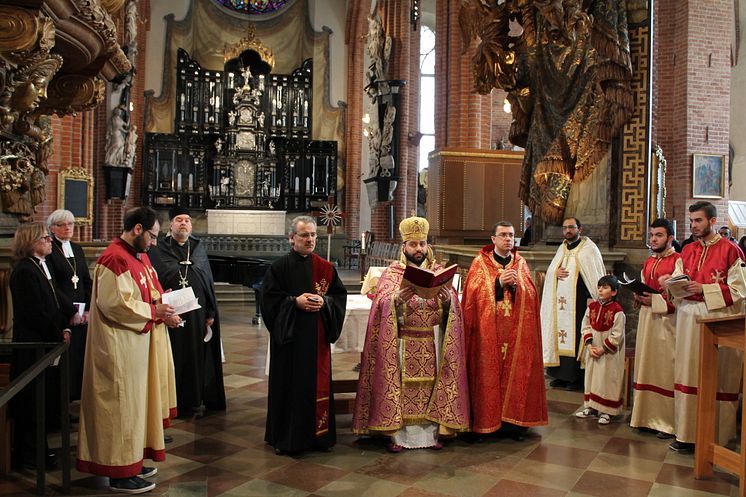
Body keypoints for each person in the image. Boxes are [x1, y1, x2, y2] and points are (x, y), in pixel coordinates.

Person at [76, 207, 182, 494]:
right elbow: (115, 304)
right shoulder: (114, 258)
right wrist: (154, 310)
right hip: (118, 348)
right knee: (121, 408)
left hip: (136, 344)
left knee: (136, 407)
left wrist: (166, 306)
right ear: (138, 229)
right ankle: (119, 471)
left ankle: (132, 460)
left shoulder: (138, 256)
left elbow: (151, 290)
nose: (154, 242)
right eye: (152, 236)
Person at [352, 216, 470, 452]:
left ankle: (433, 433)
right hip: (403, 342)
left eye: (422, 244)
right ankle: (398, 435)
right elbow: (381, 305)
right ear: (404, 247)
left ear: (428, 245)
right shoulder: (393, 273)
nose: (419, 249)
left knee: (432, 387)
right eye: (413, 244)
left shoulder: (438, 271)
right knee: (402, 387)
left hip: (432, 341)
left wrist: (449, 303)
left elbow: (454, 310)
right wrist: (395, 300)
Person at [661, 201, 746, 454]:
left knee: (715, 375)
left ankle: (716, 435)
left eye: (698, 220)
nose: (693, 225)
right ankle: (687, 434)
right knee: (687, 373)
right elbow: (679, 278)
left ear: (711, 221)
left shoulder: (731, 251)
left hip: (715, 318)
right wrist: (671, 285)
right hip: (688, 316)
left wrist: (705, 289)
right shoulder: (687, 251)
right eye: (691, 221)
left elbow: (740, 291)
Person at [261, 216, 347, 455]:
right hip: (290, 341)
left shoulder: (325, 268)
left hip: (316, 341)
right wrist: (293, 302)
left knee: (315, 385)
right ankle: (287, 439)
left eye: (312, 235)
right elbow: (268, 302)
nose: (309, 239)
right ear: (292, 239)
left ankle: (319, 437)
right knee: (289, 388)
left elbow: (339, 297)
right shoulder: (278, 268)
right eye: (304, 235)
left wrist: (326, 301)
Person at [462, 221, 547, 438]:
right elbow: (472, 297)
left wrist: (517, 285)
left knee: (516, 375)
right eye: (503, 235)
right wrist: (497, 284)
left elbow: (531, 295)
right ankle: (486, 422)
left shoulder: (521, 263)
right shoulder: (480, 263)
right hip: (488, 333)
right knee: (486, 374)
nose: (508, 239)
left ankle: (513, 423)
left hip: (515, 333)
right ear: (493, 239)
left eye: (511, 235)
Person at [9, 223, 77, 470]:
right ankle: (27, 457)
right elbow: (37, 312)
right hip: (32, 344)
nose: (50, 241)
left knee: (42, 401)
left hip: (44, 341)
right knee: (30, 403)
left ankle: (40, 451)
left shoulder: (39, 266)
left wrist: (66, 322)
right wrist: (59, 330)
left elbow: (53, 300)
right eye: (45, 237)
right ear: (30, 241)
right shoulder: (25, 271)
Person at [149, 206, 226, 417]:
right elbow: (155, 279)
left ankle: (193, 399)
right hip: (170, 312)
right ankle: (171, 400)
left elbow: (207, 279)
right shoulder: (158, 249)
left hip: (196, 314)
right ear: (171, 225)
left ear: (191, 226)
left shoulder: (198, 248)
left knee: (194, 355)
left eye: (187, 220)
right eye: (179, 220)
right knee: (172, 354)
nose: (183, 223)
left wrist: (210, 312)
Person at [629, 219, 681, 438]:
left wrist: (655, 301)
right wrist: (638, 297)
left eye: (658, 235)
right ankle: (644, 417)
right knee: (646, 363)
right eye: (651, 235)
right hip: (647, 320)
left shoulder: (679, 261)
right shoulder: (649, 261)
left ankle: (667, 423)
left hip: (668, 324)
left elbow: (679, 295)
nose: (653, 239)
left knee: (664, 368)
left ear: (670, 238)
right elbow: (644, 285)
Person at [541, 217, 606, 390]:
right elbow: (550, 272)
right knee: (560, 335)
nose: (568, 231)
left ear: (580, 229)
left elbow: (594, 275)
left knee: (578, 336)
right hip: (561, 305)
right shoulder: (562, 248)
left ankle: (577, 378)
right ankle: (561, 376)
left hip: (580, 303)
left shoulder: (589, 249)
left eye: (571, 227)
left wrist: (592, 299)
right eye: (565, 228)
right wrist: (554, 272)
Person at [45, 209, 93, 402]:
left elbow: (85, 281)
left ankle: (70, 401)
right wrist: (71, 311)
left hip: (82, 316)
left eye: (71, 224)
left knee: (77, 360)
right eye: (62, 225)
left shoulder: (77, 249)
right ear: (52, 229)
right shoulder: (49, 251)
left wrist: (89, 309)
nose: (67, 228)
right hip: (62, 314)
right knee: (63, 363)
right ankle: (59, 405)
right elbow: (52, 286)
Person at [574, 275, 625, 425]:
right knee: (591, 377)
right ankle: (591, 406)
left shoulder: (617, 311)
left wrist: (603, 349)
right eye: (599, 287)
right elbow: (586, 325)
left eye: (605, 287)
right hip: (593, 348)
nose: (601, 290)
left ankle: (606, 410)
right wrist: (589, 346)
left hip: (609, 353)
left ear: (614, 292)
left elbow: (617, 334)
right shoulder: (592, 307)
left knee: (606, 379)